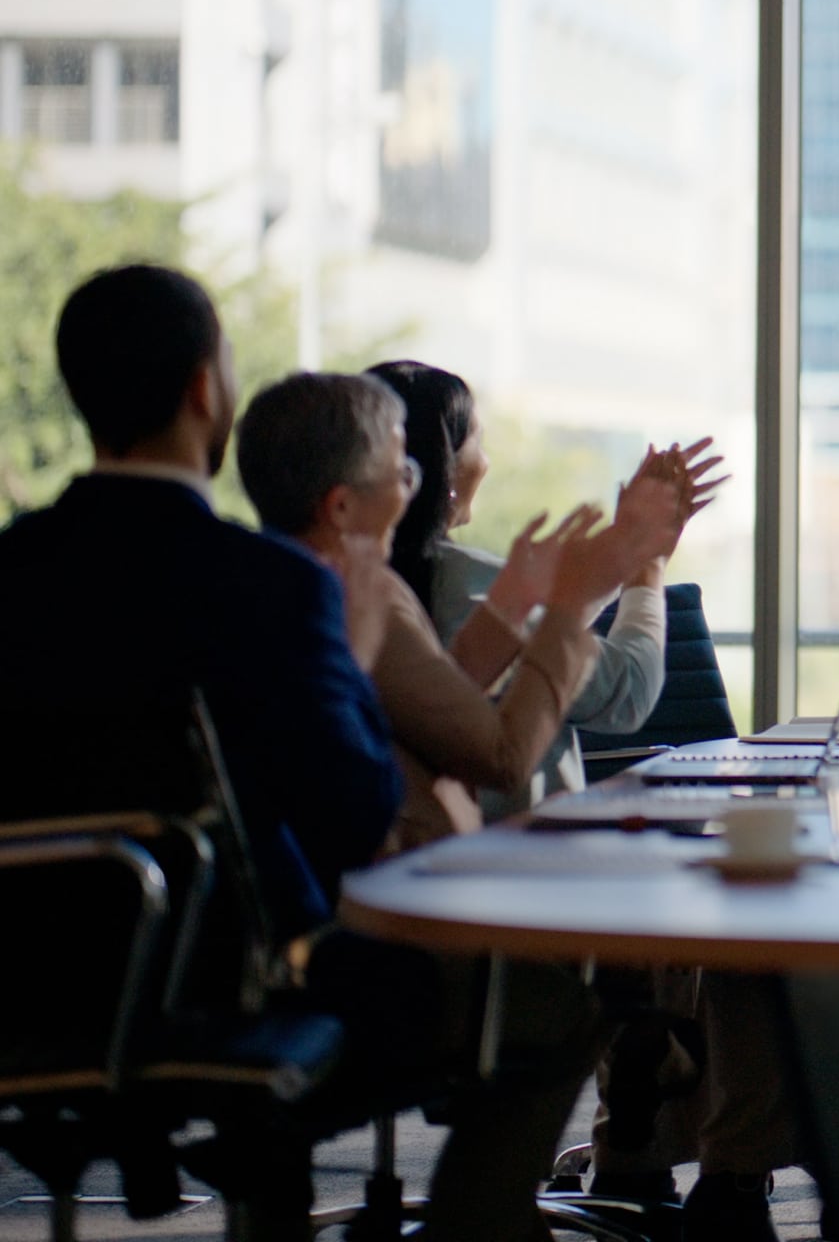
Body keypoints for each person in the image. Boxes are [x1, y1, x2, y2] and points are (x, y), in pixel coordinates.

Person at [0, 266, 589, 1240]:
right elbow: (356, 819)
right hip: (231, 988)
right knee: (548, 1002)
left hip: (28, 984)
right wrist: (354, 663)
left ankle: (263, 1188)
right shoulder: (270, 584)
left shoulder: (13, 573)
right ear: (205, 390)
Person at [233, 370, 677, 853]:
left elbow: (437, 701)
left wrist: (512, 601)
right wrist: (565, 614)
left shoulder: (263, 582)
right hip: (409, 892)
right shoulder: (349, 595)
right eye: (402, 475)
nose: (410, 494)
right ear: (339, 508)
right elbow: (502, 760)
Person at [366, 358, 722, 810]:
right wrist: (646, 566)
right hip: (523, 854)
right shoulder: (468, 586)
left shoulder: (358, 590)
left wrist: (612, 562)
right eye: (479, 439)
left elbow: (538, 651)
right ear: (444, 469)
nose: (488, 462)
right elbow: (628, 692)